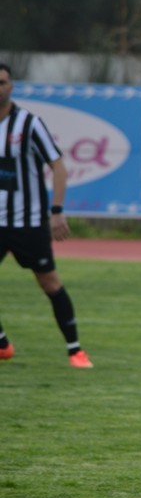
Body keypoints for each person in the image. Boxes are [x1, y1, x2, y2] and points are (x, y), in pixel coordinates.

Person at [0, 63, 93, 368]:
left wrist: (56, 211)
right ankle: (2, 344)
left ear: (11, 86)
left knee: (49, 283)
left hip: (28, 222)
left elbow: (58, 166)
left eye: (2, 82)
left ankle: (75, 350)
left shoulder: (28, 124)